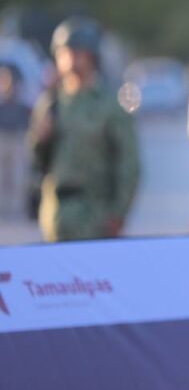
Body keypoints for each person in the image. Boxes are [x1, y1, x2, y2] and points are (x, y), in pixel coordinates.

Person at [26, 17, 139, 241]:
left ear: (91, 57)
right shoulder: (50, 104)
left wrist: (118, 214)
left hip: (96, 215)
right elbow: (36, 161)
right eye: (64, 54)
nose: (71, 60)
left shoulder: (109, 106)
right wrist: (41, 139)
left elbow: (128, 164)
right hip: (56, 216)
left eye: (78, 53)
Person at [0, 63, 31, 216]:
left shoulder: (20, 103)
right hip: (2, 140)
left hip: (17, 141)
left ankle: (16, 211)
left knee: (18, 177)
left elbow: (26, 120)